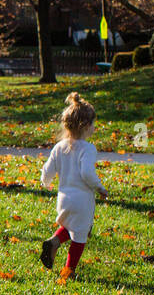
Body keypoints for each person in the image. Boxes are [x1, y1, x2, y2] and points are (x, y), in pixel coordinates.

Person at [39, 92, 109, 282]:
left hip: (63, 200)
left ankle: (53, 242)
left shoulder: (60, 146)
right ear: (86, 126)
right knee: (80, 236)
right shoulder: (88, 149)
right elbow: (87, 173)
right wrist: (99, 187)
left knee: (70, 225)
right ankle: (69, 270)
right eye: (93, 123)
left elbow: (48, 169)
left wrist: (45, 181)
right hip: (82, 201)